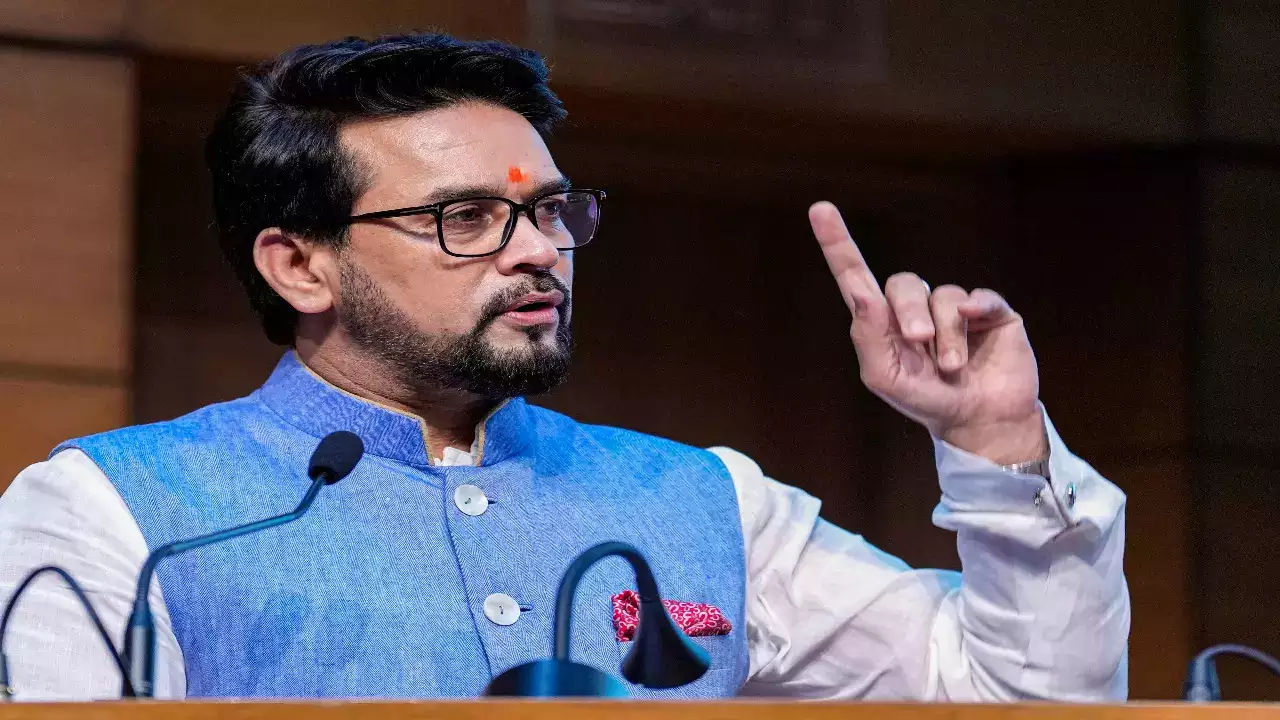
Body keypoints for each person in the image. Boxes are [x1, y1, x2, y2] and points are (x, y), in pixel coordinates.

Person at [0, 33, 1127, 701]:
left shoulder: (702, 501)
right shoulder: (119, 513)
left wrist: (992, 446)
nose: (539, 249)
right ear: (300, 265)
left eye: (549, 210)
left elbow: (1019, 700)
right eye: (465, 218)